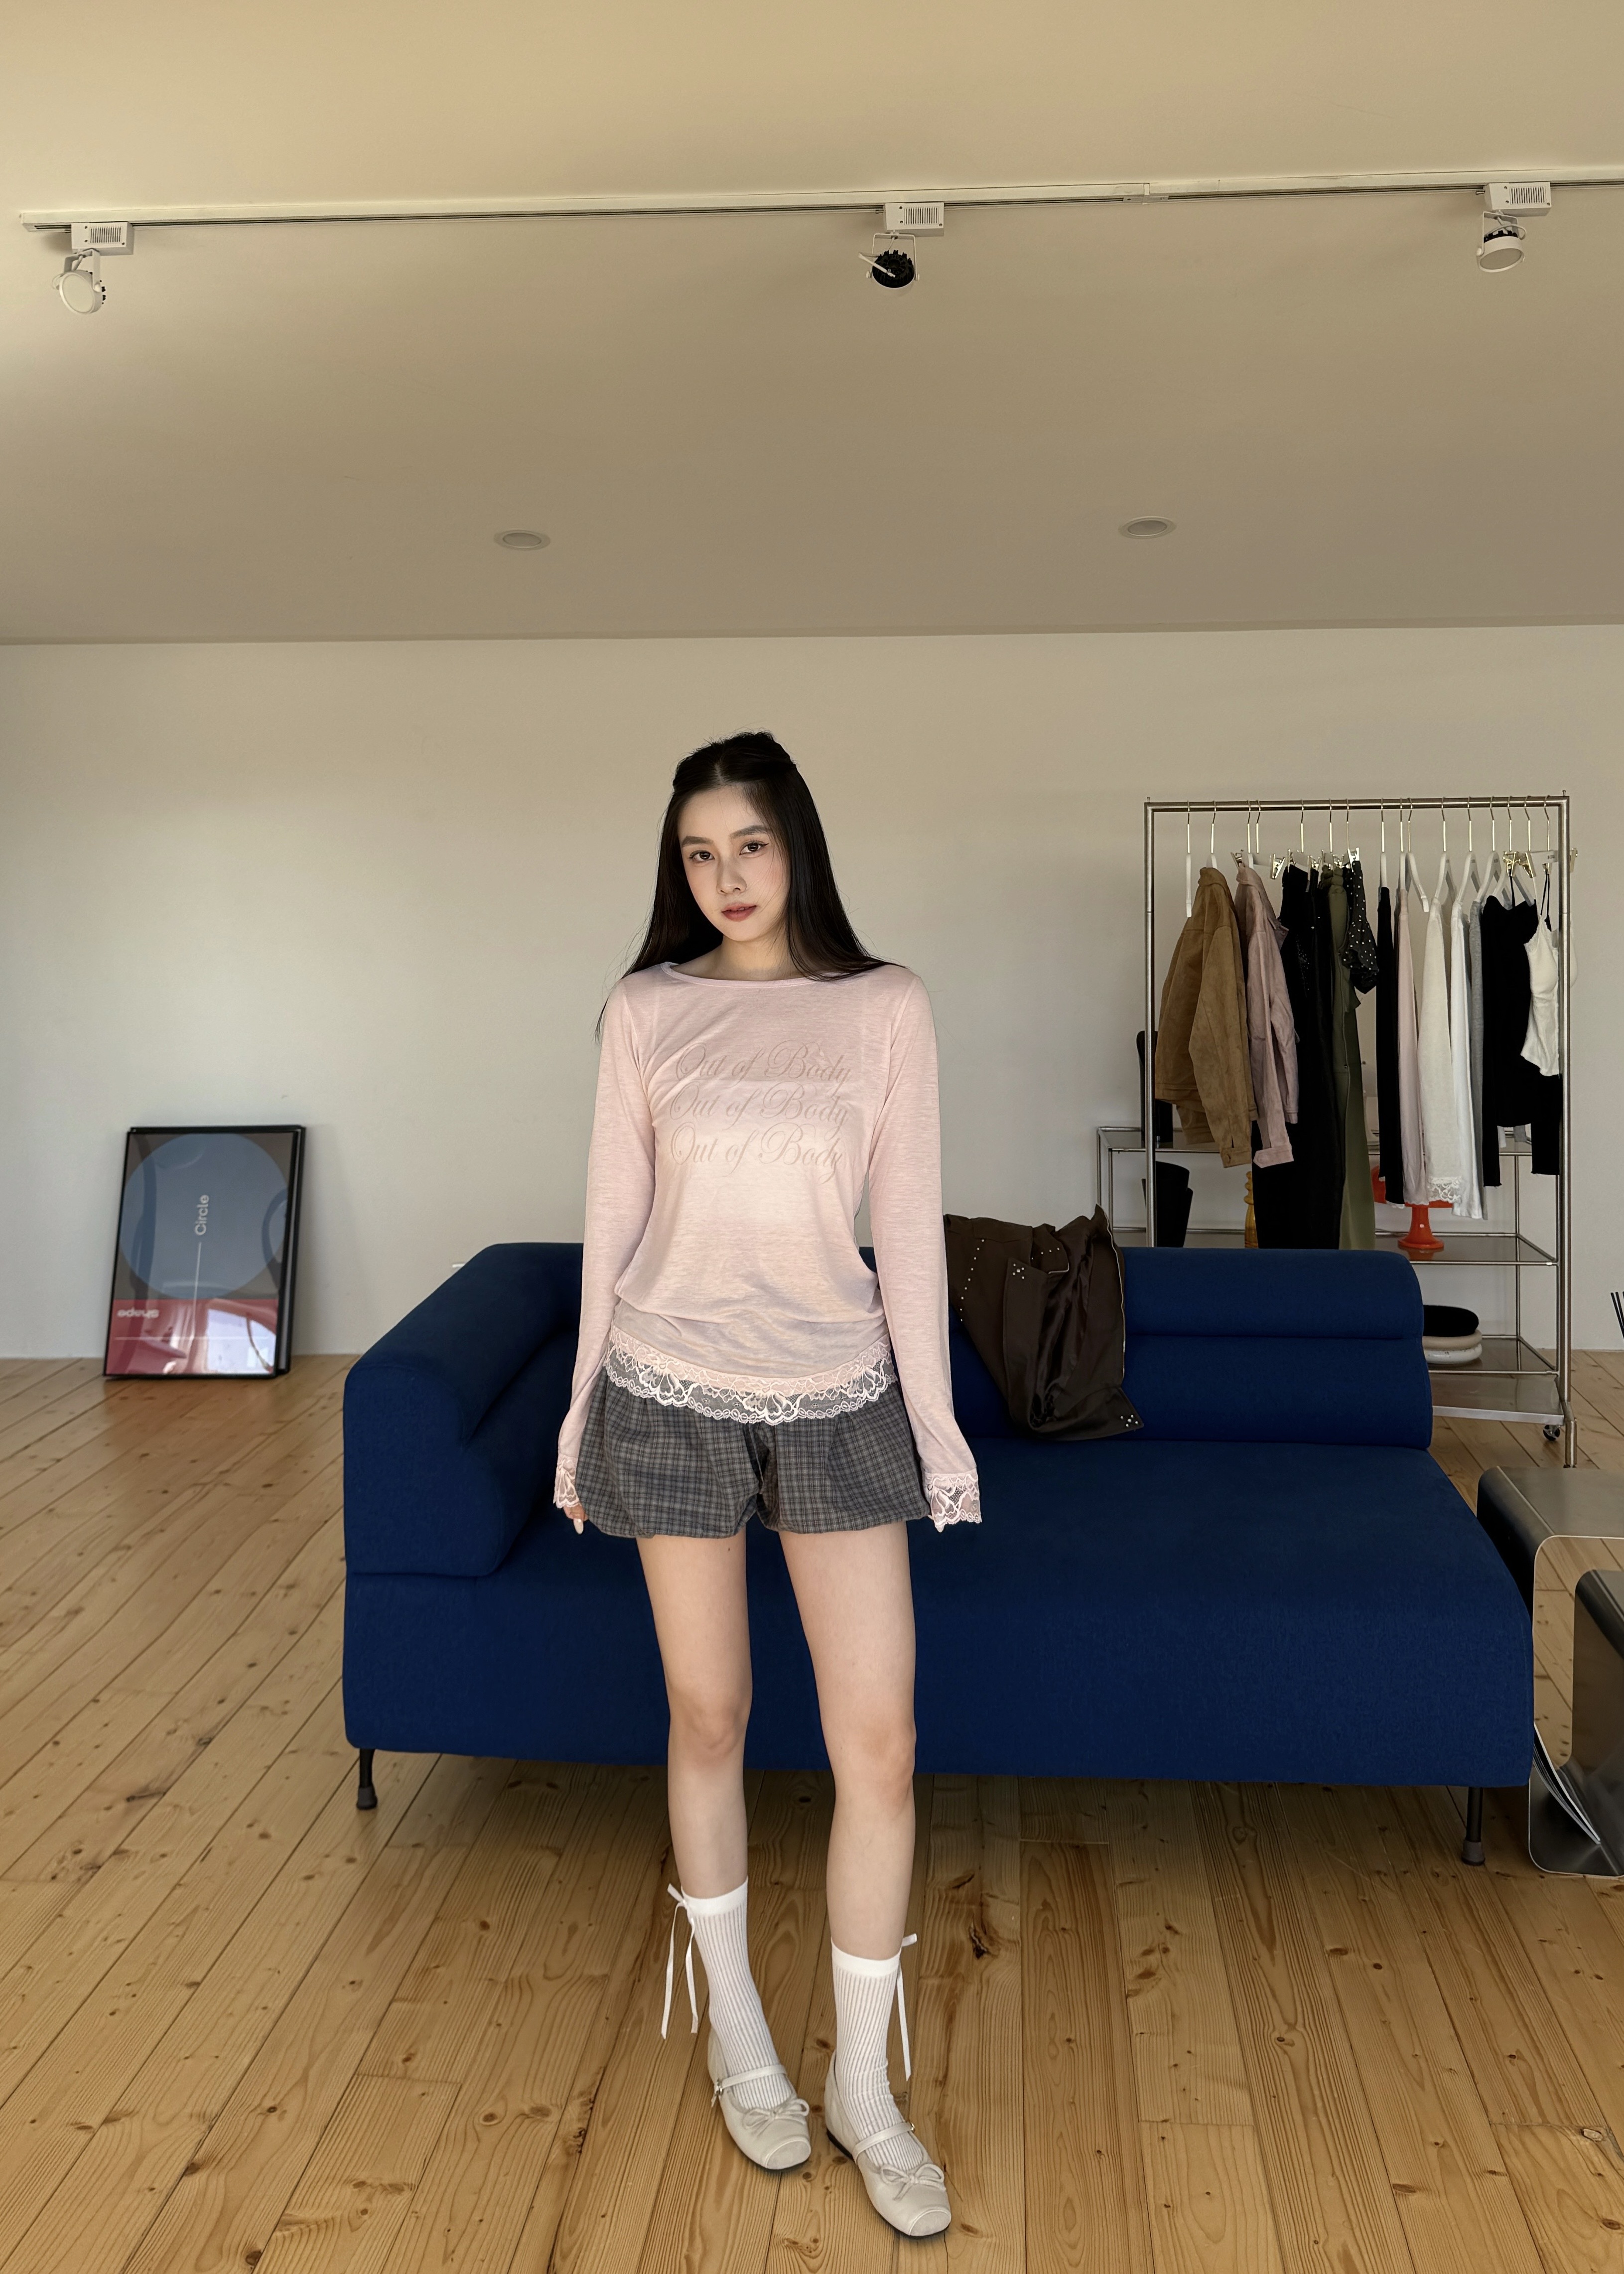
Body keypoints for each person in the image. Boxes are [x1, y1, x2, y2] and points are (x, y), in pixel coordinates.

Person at [554, 731, 979, 2239]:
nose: (725, 877)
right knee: (709, 1714)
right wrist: (578, 1414)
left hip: (835, 1392)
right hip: (665, 1384)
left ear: (796, 844)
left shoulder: (885, 1006)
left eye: (748, 844)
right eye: (697, 853)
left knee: (881, 1744)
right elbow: (610, 1223)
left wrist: (935, 1431)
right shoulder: (646, 1009)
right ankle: (739, 2033)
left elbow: (909, 1235)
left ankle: (864, 2086)